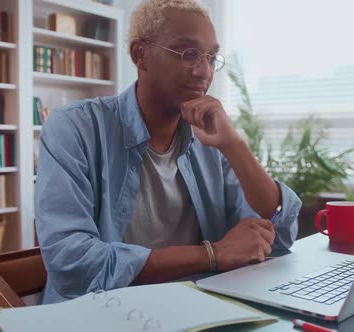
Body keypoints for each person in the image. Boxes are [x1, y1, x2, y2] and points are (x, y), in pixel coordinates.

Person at [35, 0, 302, 304]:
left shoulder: (210, 139)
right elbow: (72, 262)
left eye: (212, 57)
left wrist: (235, 146)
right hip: (101, 312)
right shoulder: (75, 126)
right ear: (141, 54)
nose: (204, 72)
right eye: (188, 54)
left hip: (194, 308)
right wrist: (212, 255)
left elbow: (278, 235)